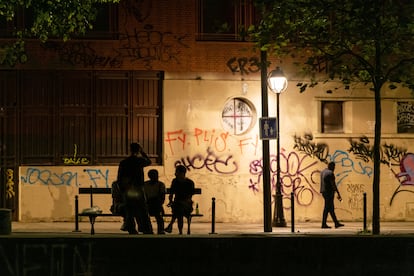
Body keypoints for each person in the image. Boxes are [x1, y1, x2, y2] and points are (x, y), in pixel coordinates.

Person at [117, 142, 153, 234]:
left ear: (130, 150)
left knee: (129, 209)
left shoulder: (124, 162)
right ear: (138, 150)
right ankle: (146, 228)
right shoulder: (139, 161)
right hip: (138, 188)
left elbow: (119, 178)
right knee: (142, 209)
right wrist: (143, 152)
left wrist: (122, 190)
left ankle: (131, 228)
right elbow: (149, 161)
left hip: (128, 189)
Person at [164, 165, 195, 234]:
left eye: (176, 172)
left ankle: (172, 226)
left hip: (186, 205)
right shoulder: (176, 181)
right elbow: (171, 193)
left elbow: (189, 197)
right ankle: (173, 227)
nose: (175, 173)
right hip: (178, 204)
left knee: (178, 210)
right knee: (179, 210)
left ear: (182, 173)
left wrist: (172, 201)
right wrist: (171, 201)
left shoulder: (188, 182)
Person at [320, 161, 344, 229]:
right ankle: (323, 224)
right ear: (331, 166)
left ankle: (336, 223)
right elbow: (333, 184)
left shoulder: (323, 172)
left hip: (324, 192)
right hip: (329, 193)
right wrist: (338, 193)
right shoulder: (330, 173)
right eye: (334, 167)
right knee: (327, 208)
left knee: (330, 208)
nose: (334, 168)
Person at [144, 169, 166, 234]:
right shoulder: (160, 184)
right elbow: (162, 197)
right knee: (158, 215)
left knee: (155, 214)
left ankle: (149, 229)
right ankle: (159, 230)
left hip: (155, 203)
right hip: (151, 203)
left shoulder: (146, 184)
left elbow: (162, 197)